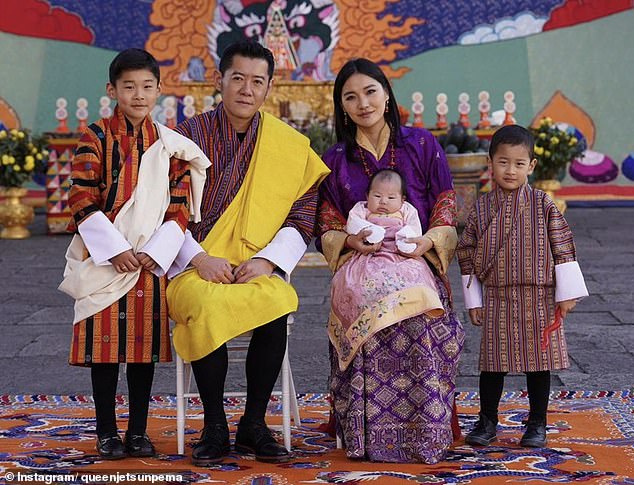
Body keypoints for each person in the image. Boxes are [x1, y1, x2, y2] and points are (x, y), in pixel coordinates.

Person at [166, 40, 330, 465]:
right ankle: (215, 425)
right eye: (237, 78)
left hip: (255, 265)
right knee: (205, 304)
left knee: (275, 301)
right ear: (219, 80)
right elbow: (164, 208)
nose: (246, 88)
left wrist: (267, 261)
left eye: (257, 81)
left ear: (270, 87)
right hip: (197, 267)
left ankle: (254, 424)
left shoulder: (287, 144)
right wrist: (200, 259)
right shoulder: (186, 137)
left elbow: (303, 211)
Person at [59, 48, 210, 460]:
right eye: (129, 87)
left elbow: (180, 205)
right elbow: (80, 195)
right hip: (106, 257)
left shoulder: (169, 144)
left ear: (159, 89)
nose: (138, 95)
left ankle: (139, 431)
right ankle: (106, 431)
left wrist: (154, 251)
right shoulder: (96, 137)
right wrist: (114, 249)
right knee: (105, 352)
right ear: (112, 90)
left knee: (142, 351)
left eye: (147, 86)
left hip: (147, 261)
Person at [317, 58, 464, 464]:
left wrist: (428, 241)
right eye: (351, 96)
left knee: (417, 309)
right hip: (361, 264)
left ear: (387, 95)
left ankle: (426, 427)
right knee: (363, 300)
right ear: (341, 106)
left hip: (414, 257)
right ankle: (365, 432)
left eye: (370, 92)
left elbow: (446, 203)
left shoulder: (421, 144)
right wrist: (349, 239)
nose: (362, 103)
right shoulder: (335, 158)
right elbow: (326, 217)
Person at [456, 124, 588, 448]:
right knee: (493, 365)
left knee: (538, 365)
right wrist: (474, 299)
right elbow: (467, 251)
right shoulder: (482, 208)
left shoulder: (543, 203)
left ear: (531, 166)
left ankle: (537, 423)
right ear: (491, 163)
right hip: (498, 297)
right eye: (503, 162)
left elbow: (563, 246)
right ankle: (487, 421)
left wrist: (567, 295)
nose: (510, 170)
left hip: (539, 297)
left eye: (518, 163)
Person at [331, 168, 445, 371]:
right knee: (356, 285)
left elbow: (414, 229)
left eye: (391, 197)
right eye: (377, 196)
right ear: (367, 196)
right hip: (369, 253)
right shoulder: (361, 209)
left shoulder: (407, 210)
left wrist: (406, 240)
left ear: (402, 199)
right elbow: (353, 224)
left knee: (417, 277)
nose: (383, 202)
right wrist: (370, 233)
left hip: (400, 254)